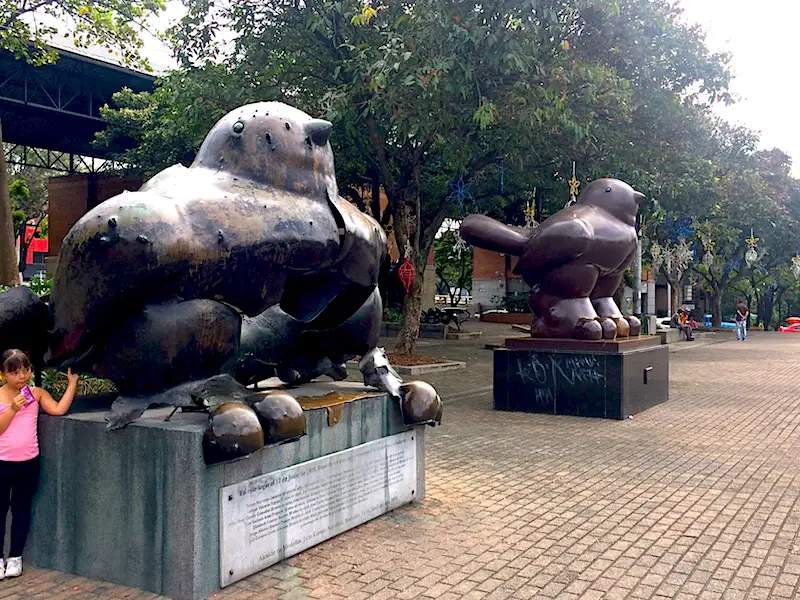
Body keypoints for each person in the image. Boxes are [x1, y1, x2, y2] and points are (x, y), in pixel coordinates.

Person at [0, 349, 79, 579]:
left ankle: (15, 557)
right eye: (15, 372)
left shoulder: (35, 394)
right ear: (3, 374)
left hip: (28, 462)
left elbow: (58, 409)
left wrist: (72, 385)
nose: (22, 376)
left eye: (26, 370)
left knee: (21, 510)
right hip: (2, 462)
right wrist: (13, 408)